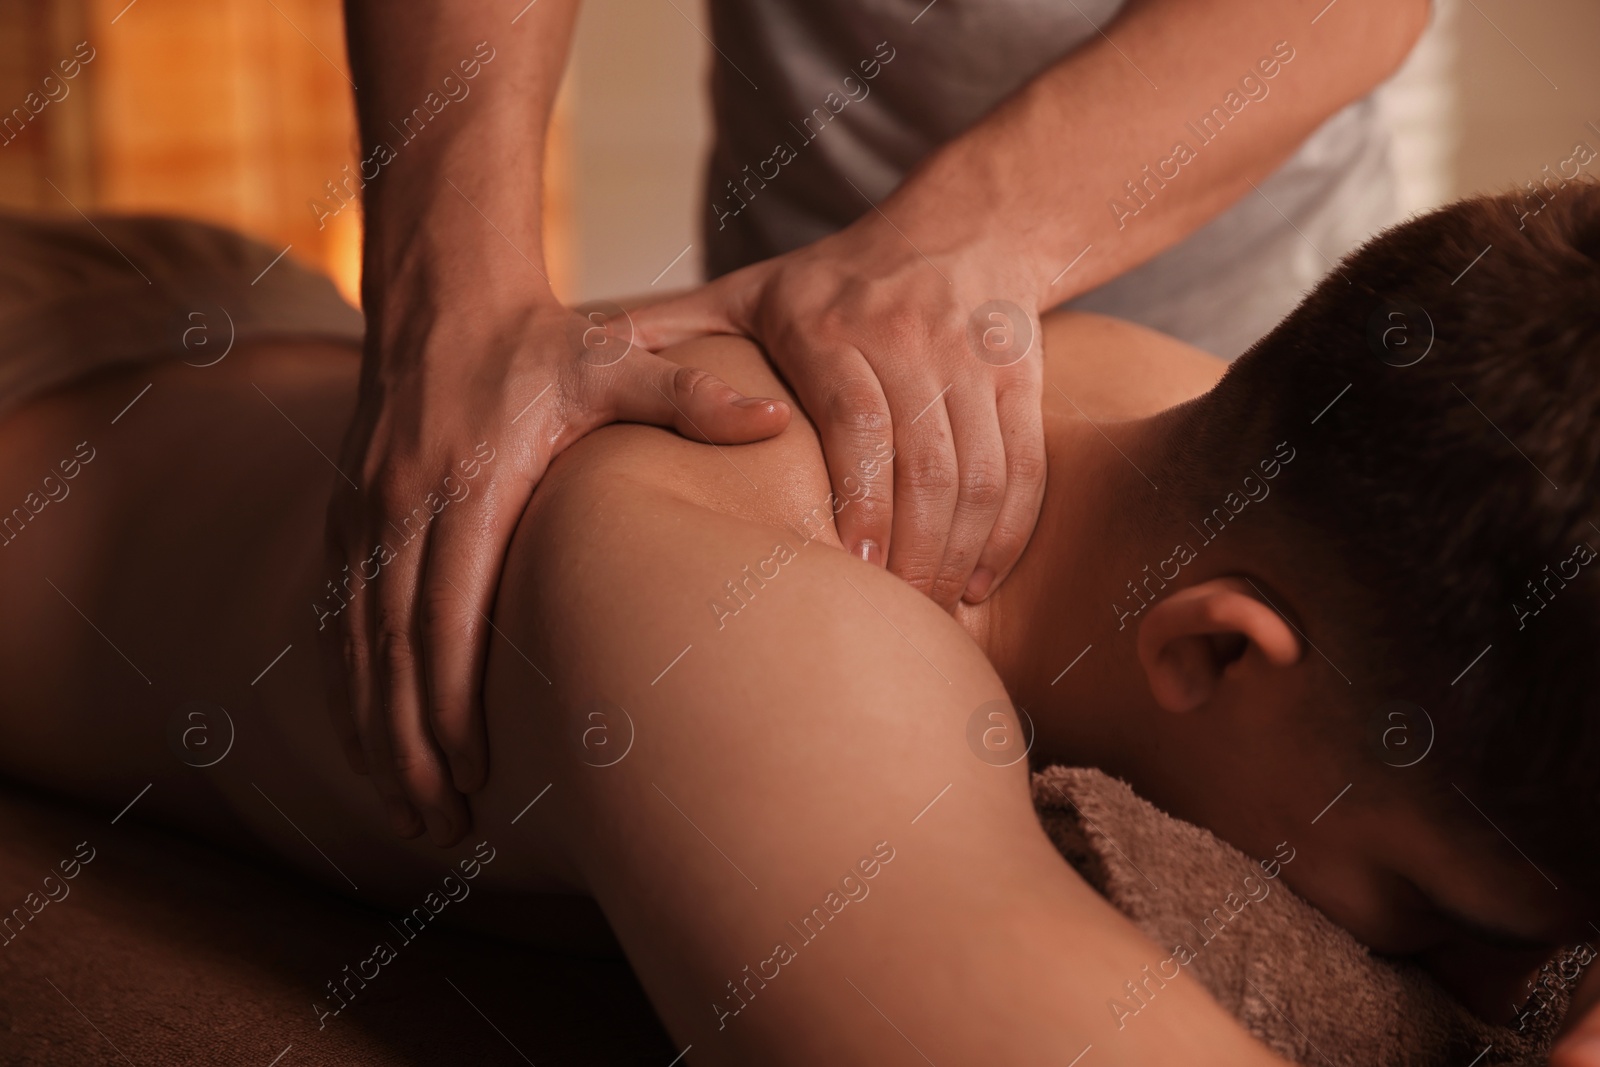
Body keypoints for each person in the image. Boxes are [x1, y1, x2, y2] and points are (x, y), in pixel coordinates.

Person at [2, 183, 1600, 1062]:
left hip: (235, 323)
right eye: (1420, 891)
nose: (1460, 974)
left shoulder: (1200, 435)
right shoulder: (754, 613)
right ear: (1214, 652)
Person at [333, 0, 1433, 842]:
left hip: (1244, 320)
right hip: (803, 328)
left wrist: (956, 244)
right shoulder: (751, 585)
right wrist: (452, 299)